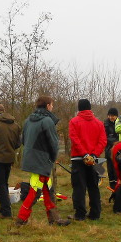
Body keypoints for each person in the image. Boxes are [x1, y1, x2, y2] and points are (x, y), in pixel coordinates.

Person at [15, 96, 70, 226]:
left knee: (48, 189)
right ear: (47, 106)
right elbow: (54, 143)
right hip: (42, 161)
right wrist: (52, 157)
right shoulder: (47, 121)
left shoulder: (28, 120)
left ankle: (54, 218)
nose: (52, 107)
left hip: (31, 159)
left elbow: (22, 140)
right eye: (52, 105)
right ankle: (21, 220)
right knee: (34, 192)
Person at [68, 99, 107, 221]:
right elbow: (103, 141)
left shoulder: (74, 122)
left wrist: (85, 154)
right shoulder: (99, 123)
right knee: (93, 186)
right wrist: (94, 155)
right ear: (90, 108)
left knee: (79, 187)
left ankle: (80, 214)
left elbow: (74, 139)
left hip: (78, 158)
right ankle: (95, 213)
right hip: (95, 159)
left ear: (79, 108)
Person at [104, 108, 119, 195]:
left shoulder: (119, 123)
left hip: (118, 151)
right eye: (109, 115)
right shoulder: (105, 124)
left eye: (112, 116)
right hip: (108, 150)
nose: (110, 117)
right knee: (110, 172)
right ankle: (113, 191)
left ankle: (118, 190)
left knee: (117, 171)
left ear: (116, 116)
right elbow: (104, 137)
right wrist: (113, 141)